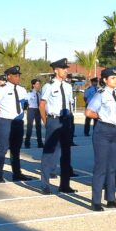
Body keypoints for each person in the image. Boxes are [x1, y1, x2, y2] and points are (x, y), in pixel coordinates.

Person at [83, 65, 116, 211]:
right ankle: (96, 201)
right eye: (113, 78)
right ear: (105, 79)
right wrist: (102, 116)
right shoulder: (101, 94)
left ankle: (111, 198)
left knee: (112, 168)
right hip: (103, 131)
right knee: (101, 167)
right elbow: (89, 112)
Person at [0, 65, 35, 182]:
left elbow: (25, 104)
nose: (17, 77)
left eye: (18, 75)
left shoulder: (22, 90)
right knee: (2, 148)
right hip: (5, 121)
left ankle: (17, 173)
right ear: (8, 76)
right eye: (15, 75)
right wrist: (1, 114)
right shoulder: (2, 89)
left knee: (16, 149)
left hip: (18, 122)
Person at [40, 58, 78, 195]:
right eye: (63, 69)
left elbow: (69, 105)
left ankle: (65, 185)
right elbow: (42, 105)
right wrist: (46, 121)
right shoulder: (48, 86)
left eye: (66, 69)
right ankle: (45, 184)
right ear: (56, 70)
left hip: (66, 121)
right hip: (54, 120)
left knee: (66, 153)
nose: (66, 71)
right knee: (49, 152)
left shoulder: (68, 87)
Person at [25, 78, 44, 148]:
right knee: (29, 126)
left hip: (38, 110)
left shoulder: (39, 94)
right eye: (37, 84)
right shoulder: (29, 93)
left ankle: (40, 143)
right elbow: (26, 102)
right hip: (31, 110)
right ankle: (27, 143)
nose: (38, 85)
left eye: (39, 84)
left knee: (38, 127)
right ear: (33, 85)